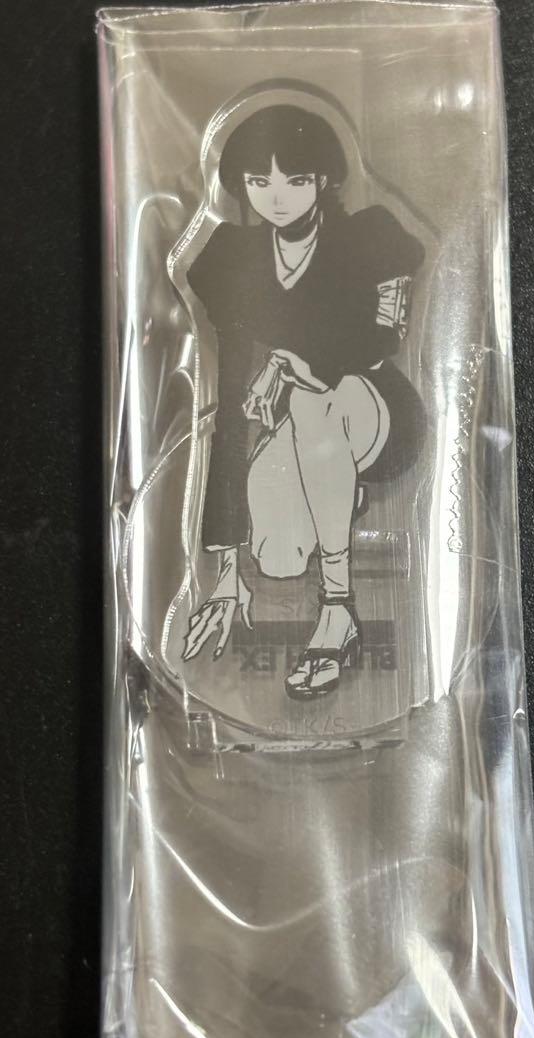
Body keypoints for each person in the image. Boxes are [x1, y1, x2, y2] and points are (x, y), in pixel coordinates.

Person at [180, 103, 425, 700]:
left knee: (319, 402)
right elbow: (232, 407)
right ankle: (338, 495)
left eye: (294, 179)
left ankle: (338, 613)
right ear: (241, 187)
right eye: (258, 182)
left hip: (377, 410)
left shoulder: (369, 237)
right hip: (301, 421)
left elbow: (383, 339)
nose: (277, 197)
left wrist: (299, 364)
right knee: (280, 558)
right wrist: (227, 572)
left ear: (321, 179)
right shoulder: (232, 259)